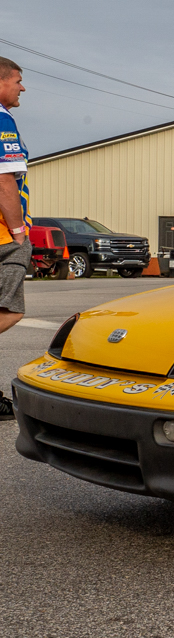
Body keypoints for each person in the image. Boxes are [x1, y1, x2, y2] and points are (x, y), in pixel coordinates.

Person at [0, 57, 31, 421]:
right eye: (18, 80)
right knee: (11, 310)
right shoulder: (3, 120)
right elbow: (5, 178)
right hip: (4, 235)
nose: (22, 87)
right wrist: (20, 231)